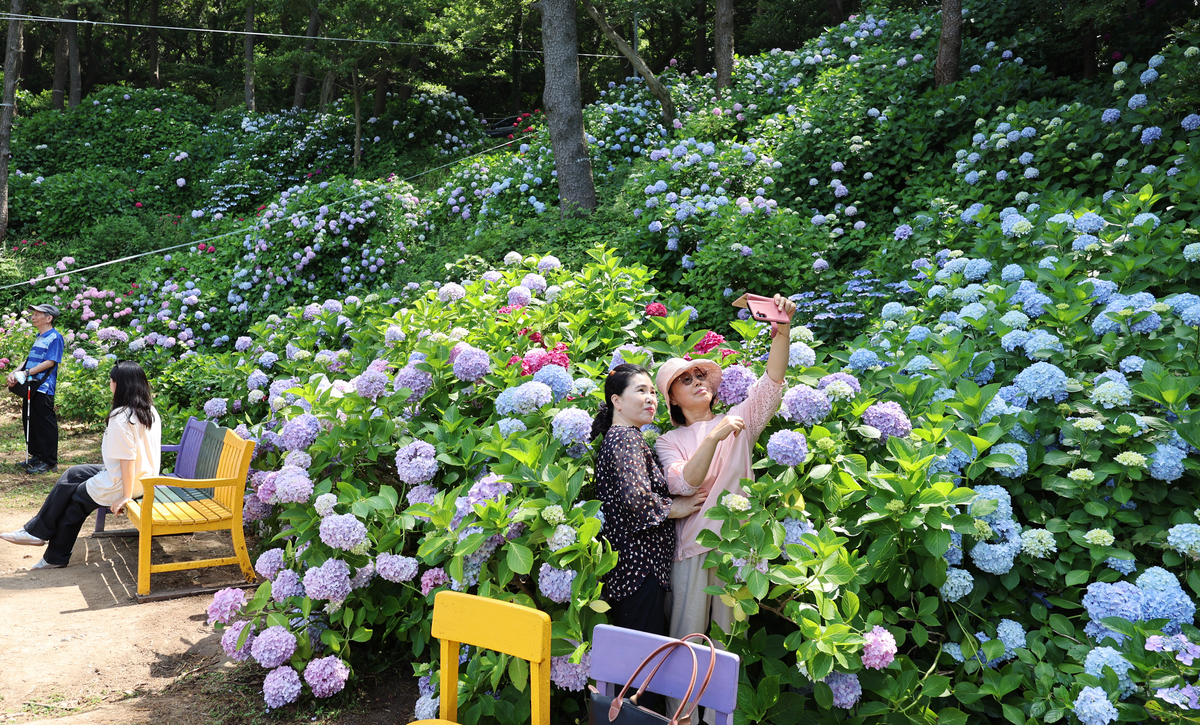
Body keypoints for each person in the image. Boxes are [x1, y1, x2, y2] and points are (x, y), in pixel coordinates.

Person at [655, 293, 797, 644]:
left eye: (700, 375)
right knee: (684, 643)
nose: (698, 382)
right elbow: (684, 485)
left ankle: (720, 704)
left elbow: (772, 382)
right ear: (671, 398)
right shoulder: (667, 441)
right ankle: (681, 704)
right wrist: (712, 438)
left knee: (728, 645)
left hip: (741, 547)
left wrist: (783, 331)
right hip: (693, 548)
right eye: (685, 380)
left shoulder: (740, 419)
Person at [0, 361, 162, 570]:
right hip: (144, 476)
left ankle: (54, 556)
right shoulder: (149, 410)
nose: (110, 385)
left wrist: (125, 496)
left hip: (127, 481)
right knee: (74, 473)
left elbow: (127, 460)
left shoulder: (122, 417)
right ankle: (35, 532)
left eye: (111, 381)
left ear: (119, 385)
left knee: (76, 499)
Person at [592, 363, 706, 636]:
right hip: (639, 572)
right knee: (640, 664)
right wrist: (675, 509)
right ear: (616, 401)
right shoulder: (625, 439)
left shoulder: (624, 437)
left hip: (635, 571)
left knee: (636, 659)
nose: (651, 398)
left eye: (653, 392)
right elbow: (637, 499)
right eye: (641, 390)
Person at [6, 304, 65, 474]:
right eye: (33, 313)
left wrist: (26, 373)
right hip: (31, 385)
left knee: (45, 424)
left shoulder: (55, 337)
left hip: (43, 387)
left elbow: (50, 362)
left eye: (38, 314)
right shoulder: (40, 336)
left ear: (49, 318)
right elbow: (29, 359)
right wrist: (15, 371)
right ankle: (38, 456)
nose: (33, 316)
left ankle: (49, 461)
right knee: (31, 421)